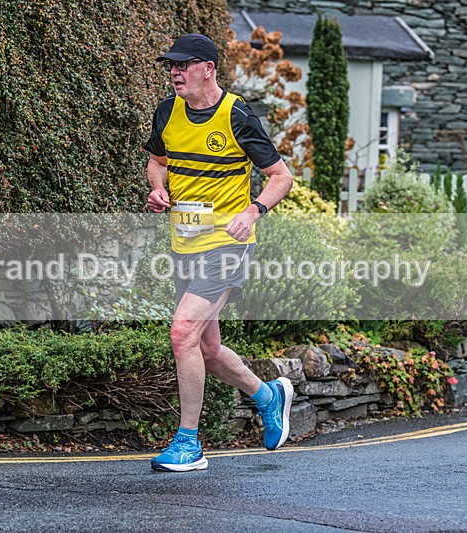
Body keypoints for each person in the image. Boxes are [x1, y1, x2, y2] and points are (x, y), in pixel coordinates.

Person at [144, 33, 295, 472]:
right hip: (184, 243)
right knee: (207, 347)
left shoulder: (237, 115)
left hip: (228, 244)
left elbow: (280, 177)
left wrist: (253, 211)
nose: (174, 72)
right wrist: (158, 189)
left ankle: (189, 444)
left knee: (181, 332)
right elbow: (158, 161)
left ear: (207, 68)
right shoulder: (167, 111)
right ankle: (268, 396)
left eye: (183, 65)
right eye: (170, 66)